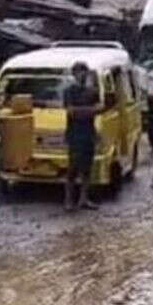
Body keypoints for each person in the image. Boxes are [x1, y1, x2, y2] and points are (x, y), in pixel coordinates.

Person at [63, 61, 101, 212]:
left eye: (84, 71)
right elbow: (70, 111)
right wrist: (89, 111)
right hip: (74, 134)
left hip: (89, 133)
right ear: (74, 74)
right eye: (79, 71)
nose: (82, 74)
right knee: (72, 168)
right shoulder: (69, 91)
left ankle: (84, 199)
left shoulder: (92, 91)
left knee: (87, 168)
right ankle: (68, 200)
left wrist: (82, 111)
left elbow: (100, 108)